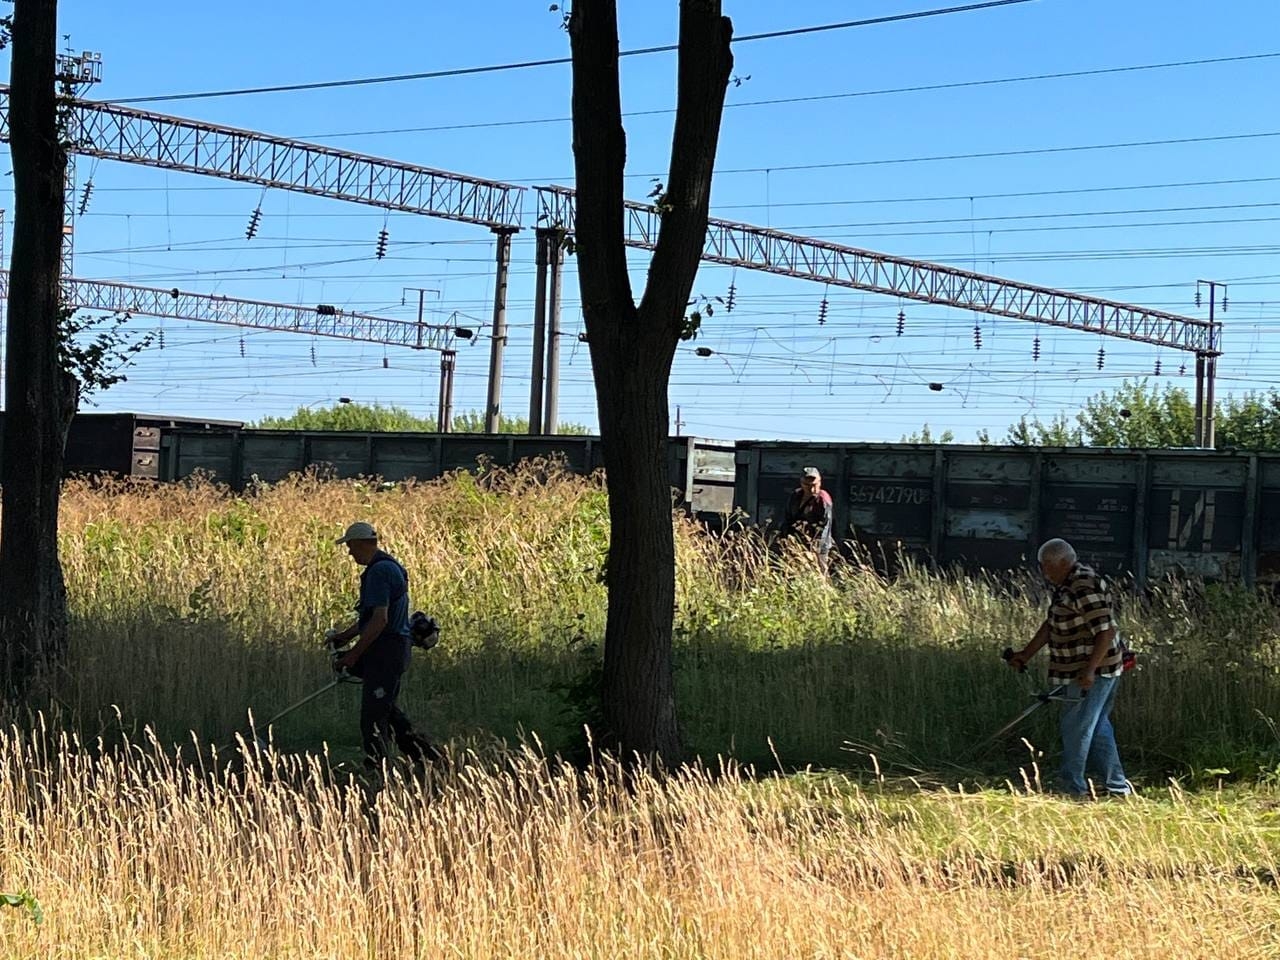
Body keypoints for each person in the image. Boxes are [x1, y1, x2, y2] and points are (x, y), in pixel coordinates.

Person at [1007, 538, 1130, 798]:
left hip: (1092, 672)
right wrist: (1025, 655)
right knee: (1096, 727)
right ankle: (1117, 787)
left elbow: (1106, 631)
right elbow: (1052, 624)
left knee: (1076, 727)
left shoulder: (1083, 585)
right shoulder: (1067, 585)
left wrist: (1088, 670)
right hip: (1087, 669)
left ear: (1062, 562)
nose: (1044, 572)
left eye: (1046, 566)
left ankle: (1073, 789)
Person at [327, 521, 439, 769]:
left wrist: (353, 656)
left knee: (373, 717)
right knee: (385, 708)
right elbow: (369, 618)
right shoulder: (387, 567)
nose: (349, 552)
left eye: (350, 546)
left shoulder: (379, 572)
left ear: (361, 544)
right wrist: (345, 637)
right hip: (391, 649)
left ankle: (379, 768)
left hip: (387, 651)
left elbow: (380, 621)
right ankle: (427, 758)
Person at [778, 466, 835, 573]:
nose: (812, 489)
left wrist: (816, 548)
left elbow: (824, 527)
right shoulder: (795, 496)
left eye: (814, 485)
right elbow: (787, 518)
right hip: (795, 542)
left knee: (818, 573)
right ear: (801, 483)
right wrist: (784, 538)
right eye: (807, 485)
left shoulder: (823, 499)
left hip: (817, 545)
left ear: (820, 482)